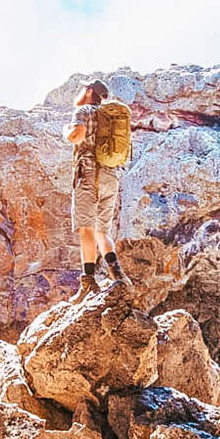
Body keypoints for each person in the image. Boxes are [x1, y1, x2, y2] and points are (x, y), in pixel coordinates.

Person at [65, 80, 132, 296]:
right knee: (102, 231)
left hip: (89, 175)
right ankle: (118, 276)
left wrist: (65, 131)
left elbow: (77, 135)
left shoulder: (83, 110)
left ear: (89, 91)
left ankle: (88, 283)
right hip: (110, 178)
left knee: (86, 229)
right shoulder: (109, 117)